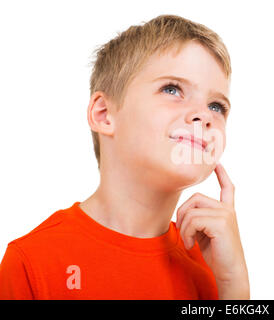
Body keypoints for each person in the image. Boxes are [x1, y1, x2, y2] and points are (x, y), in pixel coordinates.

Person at [0, 14, 249, 300]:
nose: (204, 115)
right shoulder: (32, 262)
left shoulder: (216, 265)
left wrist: (234, 287)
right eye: (172, 89)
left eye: (217, 106)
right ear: (104, 115)